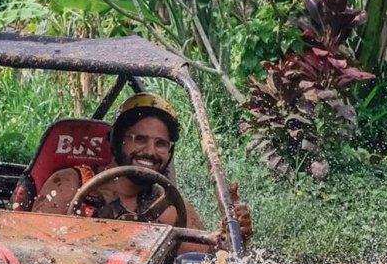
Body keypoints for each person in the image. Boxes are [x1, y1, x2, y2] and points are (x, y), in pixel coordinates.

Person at [32, 93, 252, 246]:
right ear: (117, 141)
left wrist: (233, 234)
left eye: (161, 144)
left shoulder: (169, 207)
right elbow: (34, 248)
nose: (150, 151)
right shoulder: (70, 184)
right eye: (140, 140)